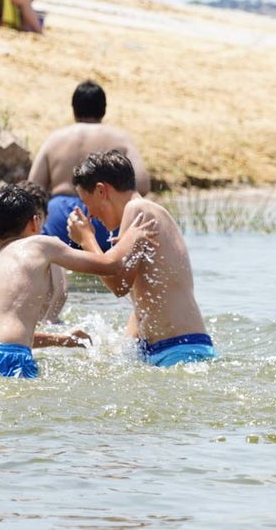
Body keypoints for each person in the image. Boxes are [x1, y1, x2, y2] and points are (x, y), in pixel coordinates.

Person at [0, 183, 157, 379]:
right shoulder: (41, 244)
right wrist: (131, 236)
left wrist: (61, 340)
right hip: (11, 357)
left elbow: (4, 332)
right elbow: (110, 265)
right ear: (35, 222)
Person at [71, 150, 216, 367]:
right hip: (167, 348)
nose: (89, 214)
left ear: (101, 190)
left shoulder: (137, 208)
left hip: (180, 349)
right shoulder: (145, 213)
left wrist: (87, 239)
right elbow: (143, 297)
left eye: (86, 202)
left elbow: (119, 284)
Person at [28, 80, 150, 250]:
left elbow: (34, 187)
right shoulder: (121, 139)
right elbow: (143, 184)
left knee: (56, 264)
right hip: (104, 210)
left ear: (73, 109)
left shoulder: (55, 139)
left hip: (59, 214)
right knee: (106, 265)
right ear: (104, 109)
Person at [17, 179, 68, 323]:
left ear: (46, 217)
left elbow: (61, 291)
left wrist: (48, 323)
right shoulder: (12, 247)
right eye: (26, 217)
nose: (33, 222)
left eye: (38, 217)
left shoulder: (50, 247)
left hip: (48, 322)